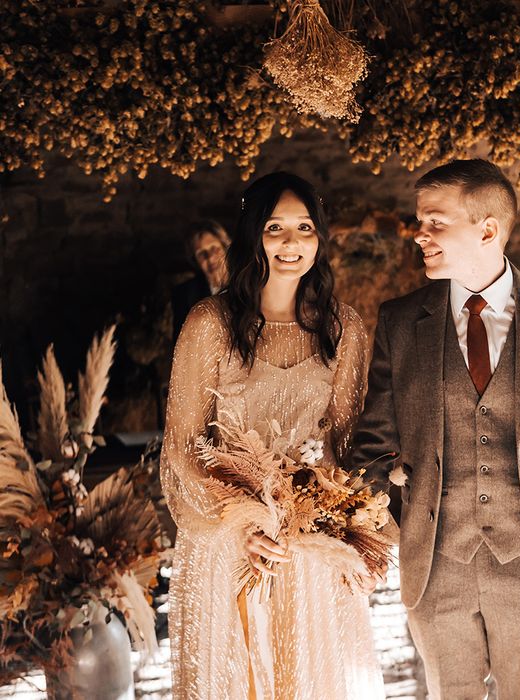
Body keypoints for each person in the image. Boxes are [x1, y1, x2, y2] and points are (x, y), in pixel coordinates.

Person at [352, 159, 520, 699]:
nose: (420, 235)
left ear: (488, 229)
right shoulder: (402, 322)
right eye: (419, 221)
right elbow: (375, 442)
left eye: (435, 223)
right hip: (434, 565)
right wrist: (384, 530)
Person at [161, 172, 384, 699]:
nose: (292, 243)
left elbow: (345, 447)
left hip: (308, 549)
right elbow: (183, 445)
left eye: (305, 228)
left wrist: (343, 529)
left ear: (319, 238)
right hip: (227, 545)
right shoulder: (209, 324)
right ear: (251, 235)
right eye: (275, 227)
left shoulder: (343, 329)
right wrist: (241, 523)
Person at [170, 219, 231, 343]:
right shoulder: (183, 295)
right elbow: (181, 345)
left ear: (226, 248)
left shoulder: (249, 284)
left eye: (214, 248)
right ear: (195, 261)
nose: (210, 257)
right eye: (201, 253)